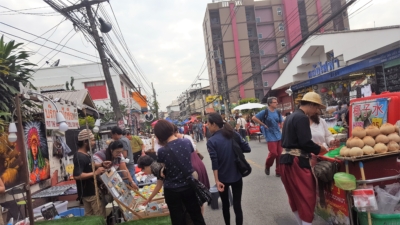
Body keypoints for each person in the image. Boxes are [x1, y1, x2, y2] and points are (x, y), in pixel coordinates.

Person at [280, 92, 328, 225]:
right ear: (312, 105)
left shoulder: (290, 117)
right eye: (317, 107)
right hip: (297, 162)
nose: (317, 111)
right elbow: (305, 142)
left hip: (285, 160)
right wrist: (320, 149)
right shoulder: (302, 118)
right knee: (307, 196)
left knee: (294, 195)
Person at [149, 120, 206, 225]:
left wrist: (162, 170)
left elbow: (164, 167)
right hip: (189, 186)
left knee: (177, 219)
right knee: (196, 216)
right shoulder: (186, 142)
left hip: (172, 190)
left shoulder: (162, 151)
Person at [207, 113, 251, 225]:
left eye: (208, 123)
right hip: (237, 175)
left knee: (225, 206)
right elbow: (247, 148)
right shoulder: (233, 134)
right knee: (237, 205)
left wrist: (217, 181)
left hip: (222, 179)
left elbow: (215, 163)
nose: (207, 126)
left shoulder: (211, 141)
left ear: (214, 124)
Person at [73, 129, 110, 217]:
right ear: (85, 142)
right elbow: (77, 175)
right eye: (92, 140)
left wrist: (101, 164)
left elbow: (90, 164)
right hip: (90, 193)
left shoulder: (86, 154)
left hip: (92, 191)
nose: (94, 142)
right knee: (98, 217)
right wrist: (96, 173)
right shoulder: (80, 157)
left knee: (90, 217)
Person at [252, 97, 283, 177]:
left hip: (278, 134)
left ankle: (278, 171)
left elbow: (281, 121)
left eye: (276, 102)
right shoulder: (264, 112)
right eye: (274, 102)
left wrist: (283, 129)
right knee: (273, 153)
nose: (276, 103)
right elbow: (254, 118)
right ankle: (268, 165)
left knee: (279, 154)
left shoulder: (278, 112)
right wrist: (263, 124)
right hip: (269, 133)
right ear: (270, 103)